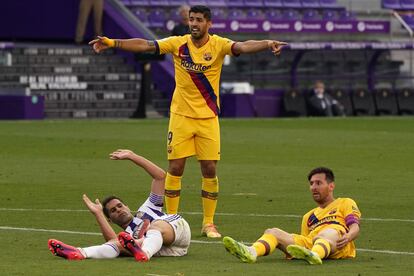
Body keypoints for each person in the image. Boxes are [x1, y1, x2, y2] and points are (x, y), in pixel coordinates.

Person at [88, 5, 287, 238]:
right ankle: (170, 220)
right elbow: (146, 45)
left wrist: (267, 43)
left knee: (210, 169)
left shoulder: (219, 45)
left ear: (208, 23)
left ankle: (209, 223)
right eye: (191, 19)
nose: (194, 23)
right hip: (180, 117)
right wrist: (113, 42)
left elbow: (242, 46)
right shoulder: (178, 43)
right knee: (175, 168)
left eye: (199, 20)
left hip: (208, 117)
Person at [48, 149, 191, 262]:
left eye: (120, 206)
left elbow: (160, 176)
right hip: (166, 250)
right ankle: (80, 252)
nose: (119, 210)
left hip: (178, 232)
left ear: (127, 206)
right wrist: (98, 213)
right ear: (110, 219)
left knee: (155, 226)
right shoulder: (127, 236)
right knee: (119, 245)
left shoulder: (148, 208)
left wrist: (132, 156)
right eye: (113, 211)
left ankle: (144, 252)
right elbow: (112, 241)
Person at [223, 167, 361, 265]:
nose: (313, 187)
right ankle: (251, 252)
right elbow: (306, 240)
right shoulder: (309, 216)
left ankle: (316, 254)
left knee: (327, 233)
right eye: (311, 183)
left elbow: (354, 226)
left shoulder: (345, 202)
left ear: (331, 186)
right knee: (272, 232)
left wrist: (348, 236)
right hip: (314, 244)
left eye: (318, 183)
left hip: (339, 243)